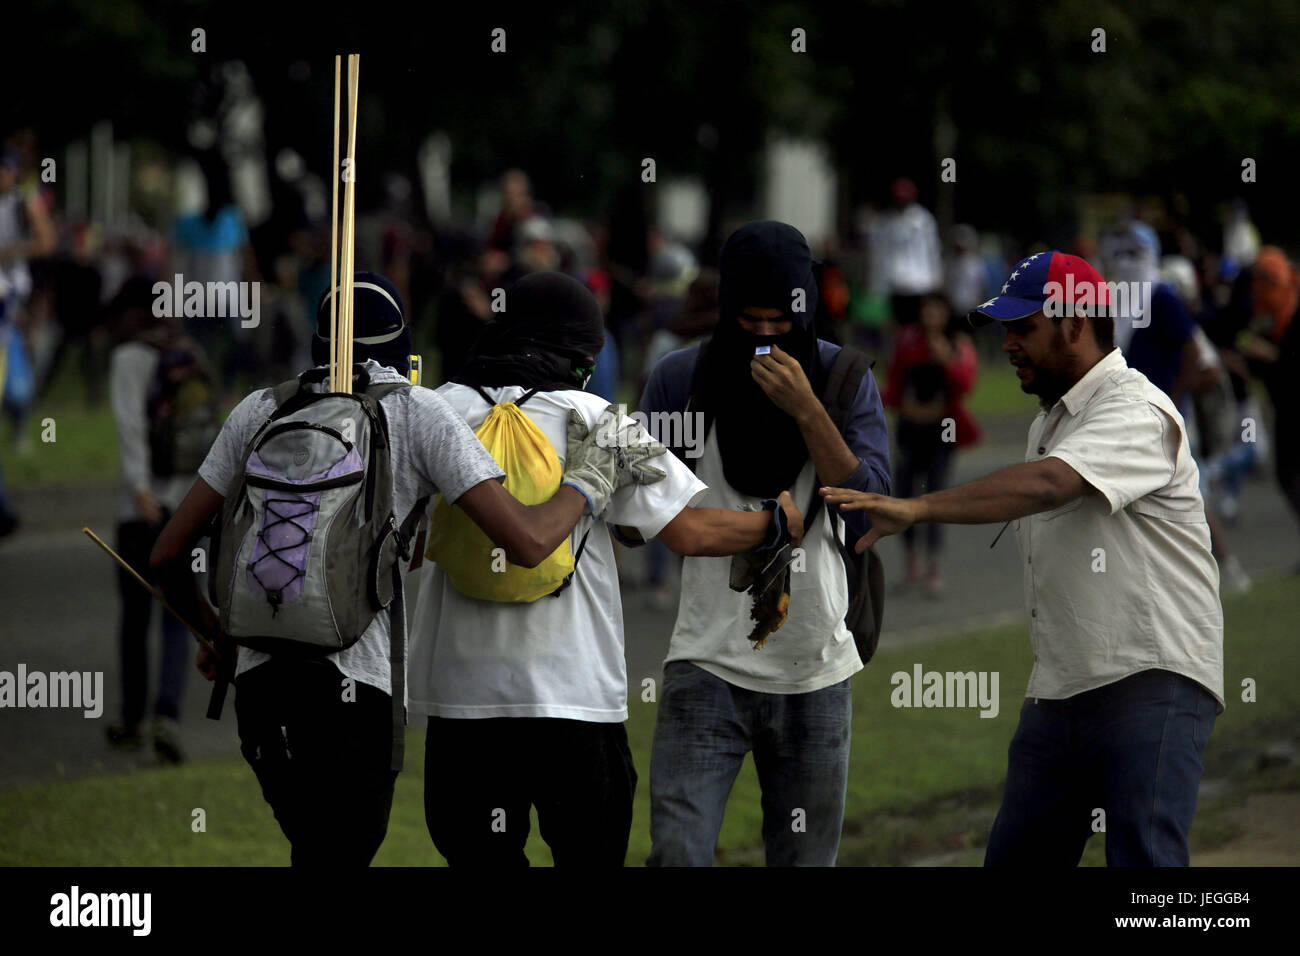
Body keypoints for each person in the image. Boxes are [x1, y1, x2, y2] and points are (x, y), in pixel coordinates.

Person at [149, 270, 660, 866]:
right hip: (355, 687)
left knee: (313, 851)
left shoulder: (259, 408)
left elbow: (165, 555)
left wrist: (216, 632)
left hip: (263, 685)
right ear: (401, 345)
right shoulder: (417, 410)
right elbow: (524, 542)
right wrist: (588, 481)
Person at [823, 251, 1223, 866]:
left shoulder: (1136, 408)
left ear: (1074, 323)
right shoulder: (1050, 424)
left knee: (1146, 867)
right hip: (1062, 690)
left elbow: (1047, 485)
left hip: (1153, 678)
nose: (1007, 344)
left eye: (1022, 328)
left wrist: (918, 508)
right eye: (1004, 329)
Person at [409, 271, 803, 867]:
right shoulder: (596, 419)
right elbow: (690, 534)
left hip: (462, 701)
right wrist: (775, 523)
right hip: (574, 698)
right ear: (581, 351)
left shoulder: (436, 411)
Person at [639, 220, 892, 867]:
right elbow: (635, 522)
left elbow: (872, 514)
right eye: (748, 319)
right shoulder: (681, 379)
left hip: (815, 669)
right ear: (726, 310)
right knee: (677, 853)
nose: (764, 336)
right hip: (705, 663)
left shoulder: (844, 378)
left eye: (780, 320)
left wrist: (808, 410)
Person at [105, 275, 212, 762]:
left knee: (135, 615)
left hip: (141, 508)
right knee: (178, 615)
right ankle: (167, 716)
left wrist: (138, 486)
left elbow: (130, 423)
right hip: (187, 507)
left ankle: (132, 719)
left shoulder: (129, 358)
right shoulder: (189, 354)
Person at [881, 291, 980, 595]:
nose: (931, 317)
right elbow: (894, 380)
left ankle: (933, 569)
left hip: (942, 429)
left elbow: (966, 384)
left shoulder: (957, 344)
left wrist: (946, 359)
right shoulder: (908, 340)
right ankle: (912, 566)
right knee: (905, 495)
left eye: (937, 310)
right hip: (911, 428)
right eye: (927, 310)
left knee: (936, 497)